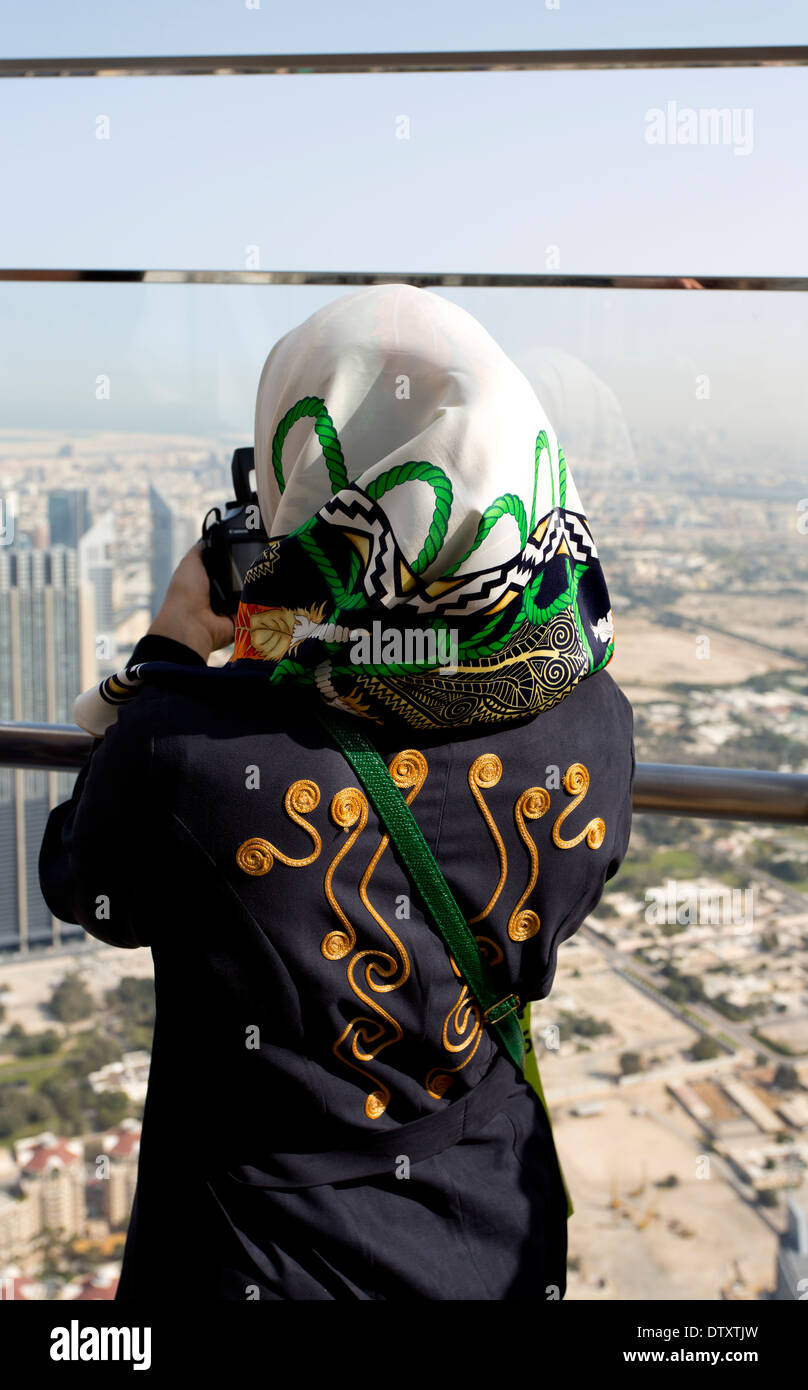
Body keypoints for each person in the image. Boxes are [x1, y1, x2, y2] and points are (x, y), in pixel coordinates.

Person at [39, 284, 635, 1301]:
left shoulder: (195, 747)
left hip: (255, 1249)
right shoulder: (594, 719)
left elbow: (82, 880)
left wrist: (175, 645)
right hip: (491, 1232)